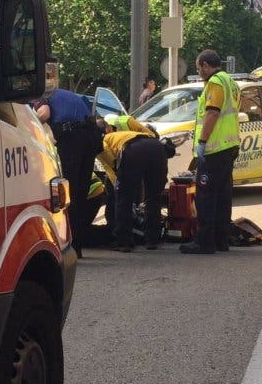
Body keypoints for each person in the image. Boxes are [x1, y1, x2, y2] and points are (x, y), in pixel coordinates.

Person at [180, 50, 241, 255]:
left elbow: (213, 112)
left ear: (206, 65)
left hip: (215, 147)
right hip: (229, 146)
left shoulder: (215, 82)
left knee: (205, 195)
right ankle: (221, 240)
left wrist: (202, 141)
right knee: (223, 195)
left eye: (199, 68)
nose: (199, 73)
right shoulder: (230, 82)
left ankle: (204, 242)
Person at [36, 88, 102, 257]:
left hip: (71, 138)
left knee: (68, 193)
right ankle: (77, 246)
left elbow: (43, 114)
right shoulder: (69, 95)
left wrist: (32, 122)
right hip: (91, 137)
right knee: (80, 193)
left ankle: (70, 247)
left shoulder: (42, 97)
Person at [95, 117, 166, 252]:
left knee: (124, 199)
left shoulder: (103, 141)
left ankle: (124, 242)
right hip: (156, 148)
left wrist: (119, 185)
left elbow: (112, 164)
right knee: (154, 197)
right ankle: (152, 240)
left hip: (133, 151)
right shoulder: (125, 133)